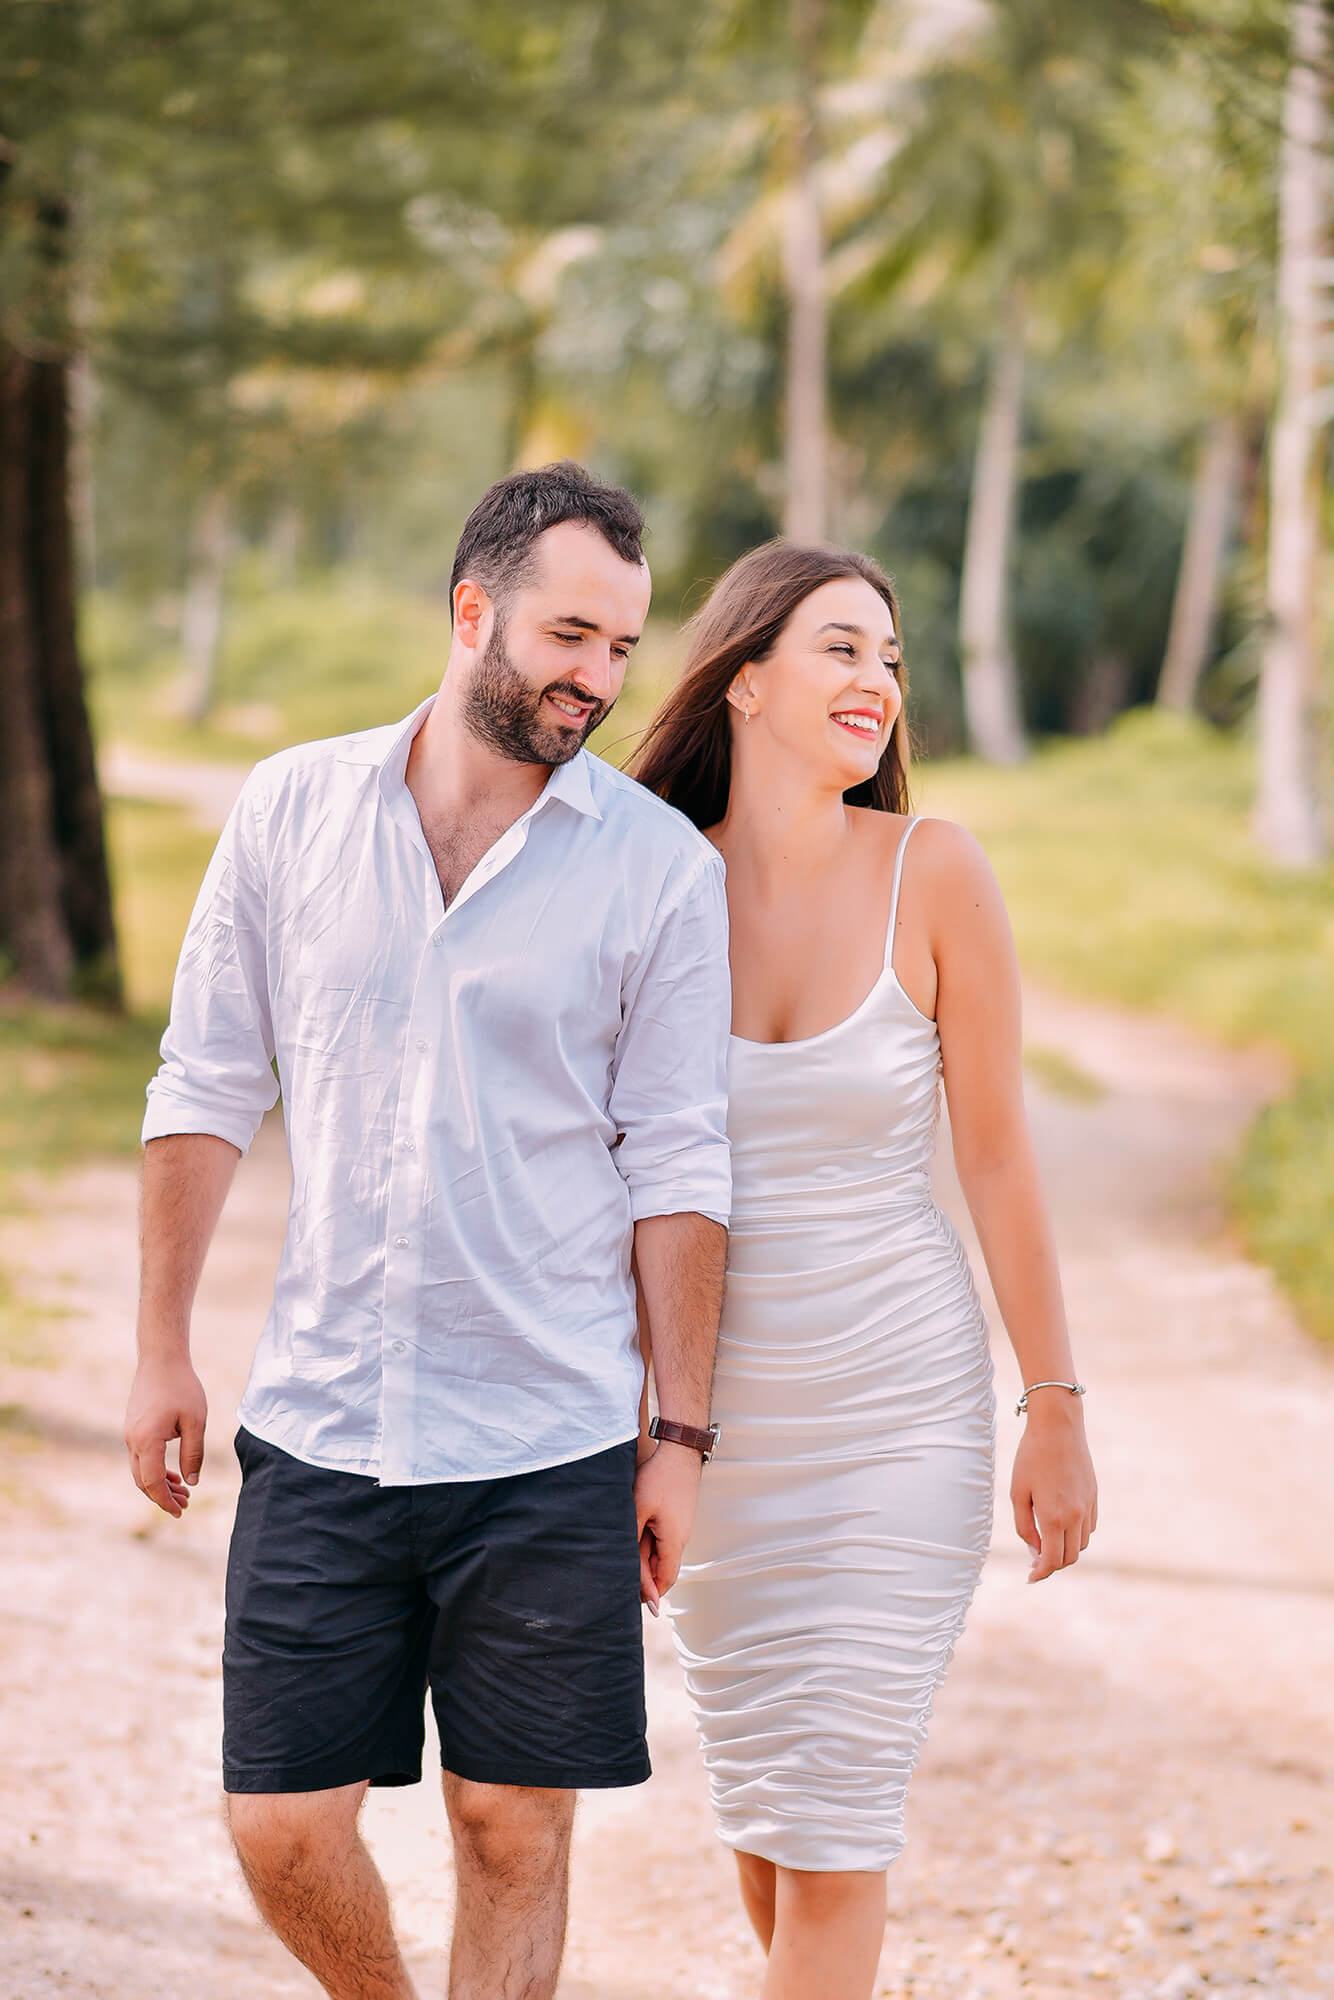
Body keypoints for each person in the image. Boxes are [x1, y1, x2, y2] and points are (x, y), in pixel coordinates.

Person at [122, 461, 732, 2000]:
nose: (598, 678)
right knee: (279, 1828)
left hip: (547, 1435)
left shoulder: (655, 870)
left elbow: (677, 1160)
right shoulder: (291, 808)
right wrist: (158, 1351)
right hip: (324, 1418)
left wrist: (680, 1434)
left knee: (511, 1829)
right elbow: (206, 1080)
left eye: (620, 650)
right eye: (570, 637)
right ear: (472, 613)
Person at [632, 540, 1098, 2000]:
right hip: (713, 1444)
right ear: (746, 676)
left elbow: (1000, 1159)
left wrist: (1056, 1402)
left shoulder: (933, 871)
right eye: (841, 648)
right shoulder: (647, 884)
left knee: (831, 1833)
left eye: (890, 659)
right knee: (771, 1825)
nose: (876, 682)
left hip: (898, 1422)